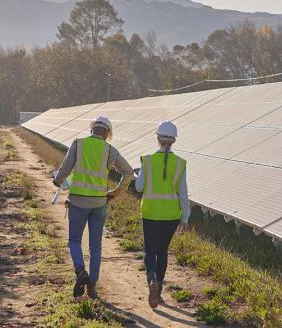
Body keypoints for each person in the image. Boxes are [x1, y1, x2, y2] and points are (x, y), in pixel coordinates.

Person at [53, 116, 133, 300]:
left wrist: (57, 181)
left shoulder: (78, 144)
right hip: (99, 203)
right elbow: (129, 173)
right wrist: (114, 193)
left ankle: (80, 270)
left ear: (92, 130)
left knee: (74, 240)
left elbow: (65, 168)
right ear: (106, 133)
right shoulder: (110, 150)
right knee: (95, 246)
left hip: (78, 202)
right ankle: (92, 287)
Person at [135, 121, 190, 309]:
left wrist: (139, 175)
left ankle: (152, 279)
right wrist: (185, 218)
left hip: (150, 212)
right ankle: (158, 293)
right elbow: (183, 194)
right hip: (171, 215)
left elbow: (139, 187)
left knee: (150, 250)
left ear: (158, 139)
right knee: (162, 251)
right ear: (173, 141)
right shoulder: (180, 164)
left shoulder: (148, 161)